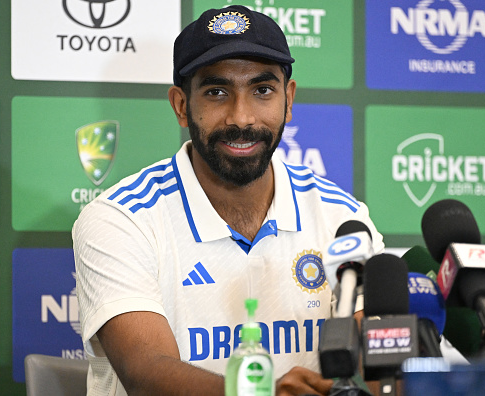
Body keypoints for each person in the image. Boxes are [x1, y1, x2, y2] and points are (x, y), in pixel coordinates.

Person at [73, 5, 384, 396]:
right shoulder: (120, 219)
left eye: (262, 90)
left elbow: (379, 358)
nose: (242, 117)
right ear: (181, 105)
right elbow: (146, 372)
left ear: (288, 99)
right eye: (217, 92)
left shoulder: (343, 217)